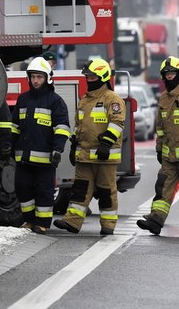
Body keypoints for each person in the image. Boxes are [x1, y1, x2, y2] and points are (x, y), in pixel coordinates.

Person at [53, 57, 125, 235]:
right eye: (88, 77)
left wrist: (106, 144)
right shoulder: (85, 99)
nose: (89, 80)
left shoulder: (112, 99)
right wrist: (74, 144)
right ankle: (73, 221)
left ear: (103, 77)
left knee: (106, 192)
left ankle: (108, 225)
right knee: (80, 190)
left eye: (93, 77)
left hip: (104, 156)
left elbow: (117, 123)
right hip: (84, 156)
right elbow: (80, 125)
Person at [137, 57, 179, 237]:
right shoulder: (163, 98)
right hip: (169, 157)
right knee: (162, 188)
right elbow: (160, 128)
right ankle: (155, 221)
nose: (169, 77)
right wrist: (159, 148)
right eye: (166, 74)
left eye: (172, 73)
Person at [12, 57, 71, 234]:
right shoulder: (23, 100)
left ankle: (43, 223)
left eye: (39, 77)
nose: (36, 80)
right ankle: (29, 220)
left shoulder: (55, 101)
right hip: (23, 158)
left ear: (47, 78)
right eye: (33, 77)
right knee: (23, 189)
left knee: (44, 191)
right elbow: (14, 126)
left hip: (45, 159)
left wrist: (57, 149)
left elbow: (62, 128)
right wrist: (8, 145)